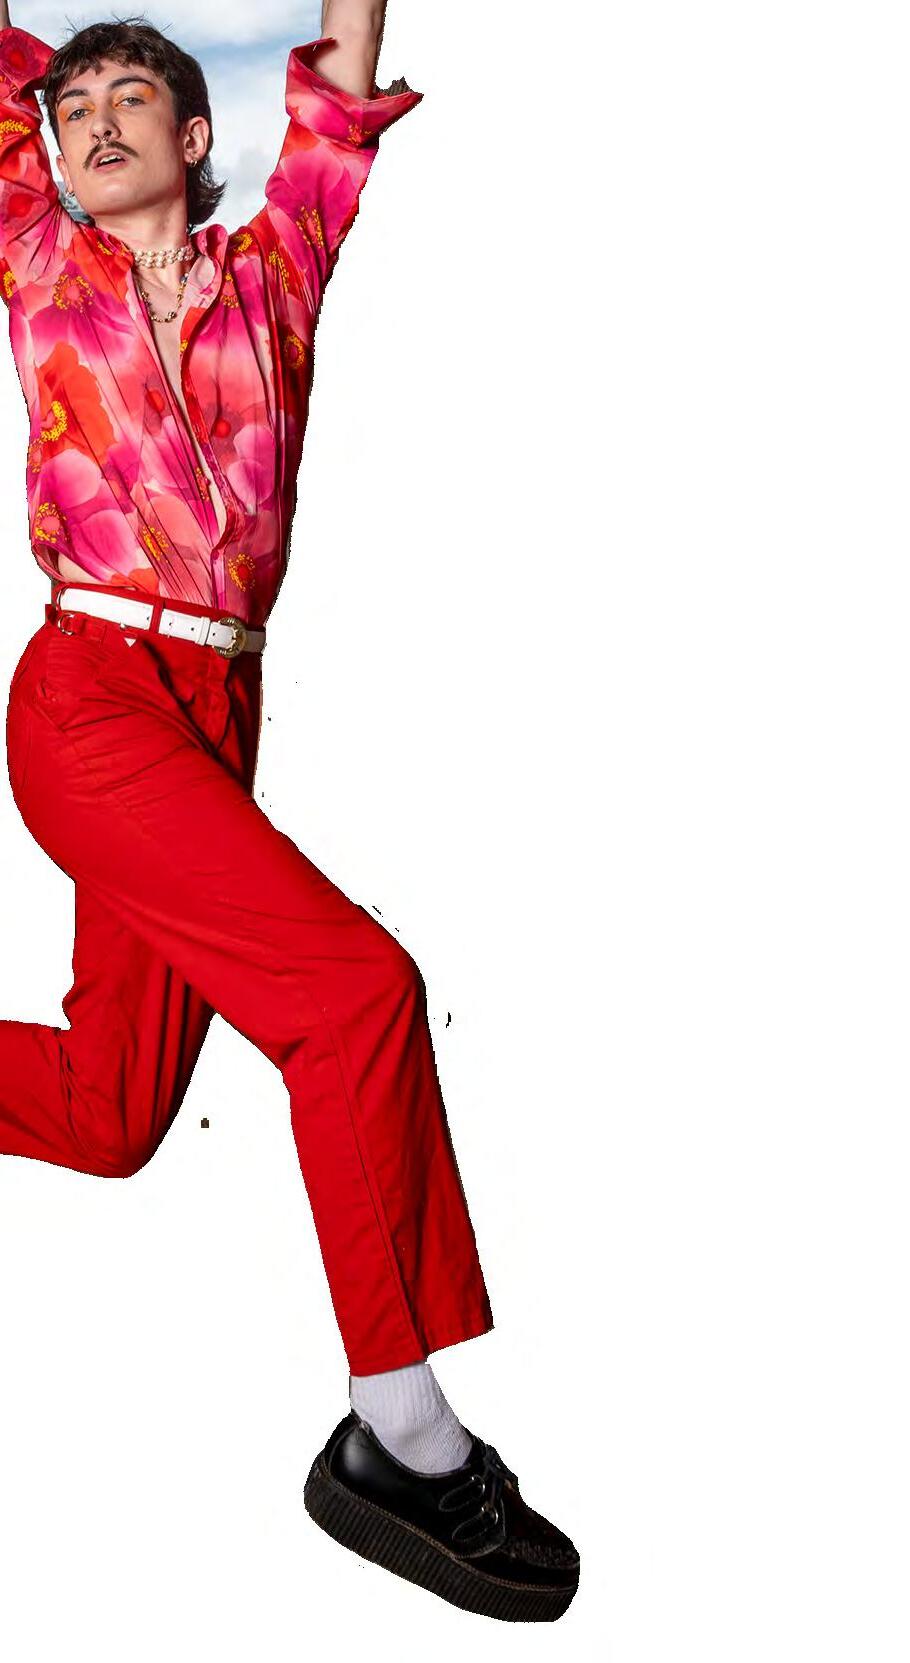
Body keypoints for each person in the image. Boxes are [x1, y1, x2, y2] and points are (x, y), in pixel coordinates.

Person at [0, 0, 579, 1621]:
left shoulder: (277, 268)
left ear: (196, 139)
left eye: (131, 98)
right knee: (355, 996)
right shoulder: (38, 256)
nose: (94, 122)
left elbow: (337, 71)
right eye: (71, 108)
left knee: (112, 1113)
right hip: (90, 699)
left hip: (215, 712)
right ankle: (400, 1434)